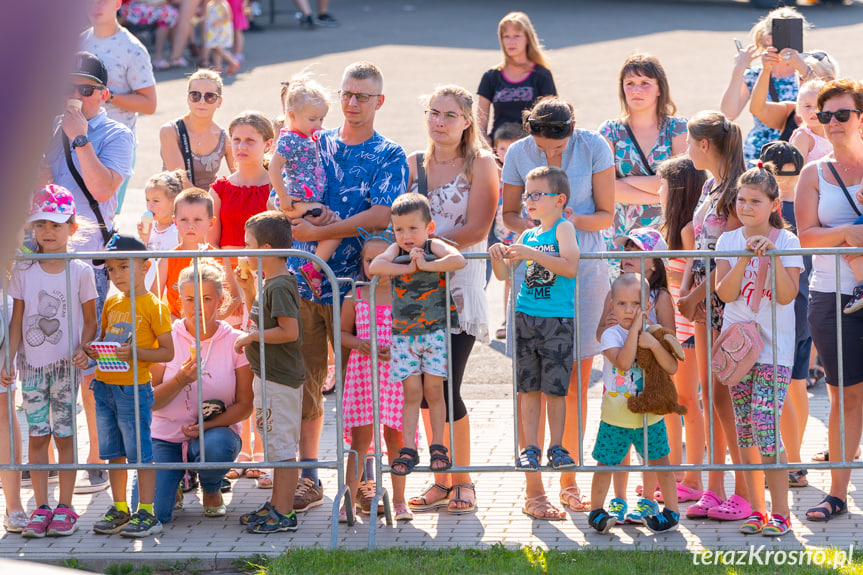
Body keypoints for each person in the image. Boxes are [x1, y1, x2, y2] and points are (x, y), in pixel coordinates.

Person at [286, 61, 406, 514]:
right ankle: (309, 477)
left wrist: (320, 234)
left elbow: (382, 215)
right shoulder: (316, 141)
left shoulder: (389, 153)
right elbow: (290, 193)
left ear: (379, 101)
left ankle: (364, 482)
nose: (352, 103)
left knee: (364, 393)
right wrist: (304, 223)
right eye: (347, 94)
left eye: (363, 96)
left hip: (360, 291)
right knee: (308, 384)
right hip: (309, 283)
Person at [501, 97, 614, 517]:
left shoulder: (595, 145)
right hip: (534, 277)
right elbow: (509, 213)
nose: (550, 153)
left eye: (558, 146)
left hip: (582, 272)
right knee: (528, 386)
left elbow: (606, 216)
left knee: (572, 384)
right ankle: (534, 490)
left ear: (572, 128)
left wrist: (559, 222)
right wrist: (534, 235)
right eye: (541, 147)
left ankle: (569, 479)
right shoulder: (517, 151)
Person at [42, 51, 135, 495]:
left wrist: (81, 139)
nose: (75, 98)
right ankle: (47, 454)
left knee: (96, 360)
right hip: (44, 258)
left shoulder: (115, 133)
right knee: (43, 355)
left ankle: (100, 458)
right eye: (67, 88)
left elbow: (101, 188)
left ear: (104, 94)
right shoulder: (43, 131)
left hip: (95, 261)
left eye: (85, 90)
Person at [405, 85, 498, 514]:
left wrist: (425, 245)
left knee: (449, 386)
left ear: (467, 121)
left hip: (459, 287)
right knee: (424, 392)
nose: (438, 121)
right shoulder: (412, 165)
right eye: (432, 112)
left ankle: (463, 479)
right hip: (416, 291)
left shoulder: (481, 163)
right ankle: (439, 480)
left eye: (449, 114)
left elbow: (479, 228)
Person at [1, 187, 98, 537]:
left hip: (65, 370)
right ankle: (41, 506)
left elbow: (91, 319)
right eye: (40, 223)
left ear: (72, 227)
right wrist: (8, 359)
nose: (47, 231)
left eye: (56, 224)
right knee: (38, 435)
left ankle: (66, 507)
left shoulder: (81, 271)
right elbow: (17, 321)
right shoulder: (24, 271)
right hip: (31, 369)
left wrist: (85, 348)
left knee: (66, 434)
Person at [715, 164, 803, 536]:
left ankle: (781, 514)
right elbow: (724, 293)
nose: (746, 207)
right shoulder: (727, 240)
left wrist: (771, 257)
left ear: (773, 204)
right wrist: (745, 259)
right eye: (741, 199)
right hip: (739, 351)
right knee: (746, 431)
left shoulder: (787, 242)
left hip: (774, 350)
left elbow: (786, 295)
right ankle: (756, 510)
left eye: (755, 201)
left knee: (766, 428)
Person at [677, 111, 750, 521]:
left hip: (727, 301)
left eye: (690, 142)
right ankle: (714, 487)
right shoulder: (710, 185)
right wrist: (687, 292)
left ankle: (742, 492)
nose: (687, 150)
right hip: (702, 301)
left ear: (705, 145)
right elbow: (699, 244)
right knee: (711, 394)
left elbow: (733, 256)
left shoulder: (736, 189)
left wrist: (697, 294)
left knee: (727, 398)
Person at [796, 80, 863, 522]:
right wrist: (847, 233)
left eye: (842, 114)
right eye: (826, 116)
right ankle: (837, 494)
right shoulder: (813, 173)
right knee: (845, 399)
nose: (833, 123)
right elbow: (805, 236)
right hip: (832, 298)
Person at [489, 166, 579, 482]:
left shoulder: (563, 229)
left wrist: (531, 254)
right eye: (528, 195)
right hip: (525, 316)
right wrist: (497, 255)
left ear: (560, 199)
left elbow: (570, 266)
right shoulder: (527, 234)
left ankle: (557, 447)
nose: (529, 201)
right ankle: (530, 448)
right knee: (528, 387)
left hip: (557, 319)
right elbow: (503, 275)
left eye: (537, 195)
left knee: (555, 388)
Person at [83, 234, 174, 538]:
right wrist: (94, 348)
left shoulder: (154, 306)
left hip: (134, 389)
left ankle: (146, 512)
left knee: (140, 454)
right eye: (111, 269)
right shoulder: (111, 301)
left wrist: (136, 353)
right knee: (114, 453)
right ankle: (120, 506)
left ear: (145, 266)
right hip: (105, 385)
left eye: (124, 267)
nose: (117, 275)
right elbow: (107, 338)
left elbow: (168, 352)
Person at [369, 193, 466, 476]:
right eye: (399, 229)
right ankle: (408, 447)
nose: (406, 235)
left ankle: (438, 445)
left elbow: (458, 260)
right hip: (404, 336)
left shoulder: (434, 246)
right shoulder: (394, 250)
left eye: (413, 228)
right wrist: (406, 267)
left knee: (434, 391)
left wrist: (427, 265)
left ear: (429, 228)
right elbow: (375, 267)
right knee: (411, 393)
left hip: (434, 333)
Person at [149, 260, 252, 524]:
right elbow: (148, 401)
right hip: (164, 436)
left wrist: (209, 426)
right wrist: (180, 380)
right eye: (189, 299)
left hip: (214, 434)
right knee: (158, 514)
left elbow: (245, 405)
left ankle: (210, 486)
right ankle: (175, 483)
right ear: (178, 301)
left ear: (220, 301)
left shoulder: (235, 341)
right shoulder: (165, 339)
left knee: (216, 446)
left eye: (206, 298)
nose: (196, 307)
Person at [594, 227, 678, 525]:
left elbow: (671, 337)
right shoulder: (614, 293)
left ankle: (647, 501)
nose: (628, 255)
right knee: (618, 445)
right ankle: (617, 499)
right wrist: (611, 326)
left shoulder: (661, 296)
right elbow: (601, 332)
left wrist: (646, 327)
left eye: (637, 251)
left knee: (651, 447)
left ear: (654, 263)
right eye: (627, 249)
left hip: (648, 386)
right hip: (618, 387)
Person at [234, 211, 305, 534]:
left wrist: (251, 338)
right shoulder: (267, 283)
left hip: (281, 380)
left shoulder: (279, 285)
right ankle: (276, 504)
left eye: (248, 245)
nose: (244, 250)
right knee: (274, 446)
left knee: (282, 450)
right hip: (268, 376)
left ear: (264, 248)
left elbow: (288, 331)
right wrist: (247, 289)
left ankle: (285, 512)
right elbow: (261, 319)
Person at [339, 233, 410, 522]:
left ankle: (401, 501)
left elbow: (414, 332)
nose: (377, 266)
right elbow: (341, 332)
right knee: (361, 440)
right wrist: (358, 343)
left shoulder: (403, 294)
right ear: (363, 263)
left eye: (386, 260)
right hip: (363, 375)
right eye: (371, 260)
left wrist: (397, 348)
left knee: (396, 437)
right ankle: (348, 503)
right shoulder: (355, 294)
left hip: (394, 374)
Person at [759, 142, 811, 487]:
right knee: (794, 385)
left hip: (790, 305)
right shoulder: (805, 205)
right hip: (797, 303)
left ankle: (792, 463)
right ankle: (793, 460)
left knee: (790, 385)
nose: (789, 182)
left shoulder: (776, 213)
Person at [657, 156, 707, 501]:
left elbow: (694, 273)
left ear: (677, 190)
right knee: (670, 402)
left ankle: (693, 477)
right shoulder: (666, 230)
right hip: (669, 329)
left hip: (689, 329)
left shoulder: (690, 231)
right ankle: (674, 471)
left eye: (662, 184)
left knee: (688, 402)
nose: (658, 191)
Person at [599, 53, 687, 240]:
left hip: (665, 233)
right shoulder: (609, 130)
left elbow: (679, 185)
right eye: (629, 83)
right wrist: (661, 195)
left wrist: (625, 182)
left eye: (645, 83)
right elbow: (605, 188)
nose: (636, 90)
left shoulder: (678, 128)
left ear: (659, 89)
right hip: (619, 233)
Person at [82, 0, 158, 216]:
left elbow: (149, 104)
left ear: (117, 3)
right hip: (77, 140)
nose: (95, 6)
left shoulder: (132, 49)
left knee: (104, 217)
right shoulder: (78, 42)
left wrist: (107, 96)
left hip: (114, 145)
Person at [269, 76, 337, 300]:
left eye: (321, 118)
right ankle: (314, 269)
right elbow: (274, 167)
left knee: (326, 227)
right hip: (296, 200)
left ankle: (313, 268)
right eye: (312, 119)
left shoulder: (309, 136)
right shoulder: (290, 139)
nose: (318, 124)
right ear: (291, 116)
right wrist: (283, 196)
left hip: (306, 199)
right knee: (336, 227)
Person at [720, 6, 809, 160]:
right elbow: (729, 114)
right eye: (782, 33)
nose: (789, 40)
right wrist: (739, 69)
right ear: (768, 39)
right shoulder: (755, 75)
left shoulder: (807, 71)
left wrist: (802, 66)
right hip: (759, 153)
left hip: (798, 153)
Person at [154, 188, 241, 321]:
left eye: (197, 219)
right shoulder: (168, 260)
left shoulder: (219, 258)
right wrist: (177, 323)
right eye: (184, 219)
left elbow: (234, 297)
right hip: (178, 331)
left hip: (211, 333)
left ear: (211, 222)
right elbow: (153, 300)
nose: (190, 225)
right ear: (175, 222)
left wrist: (213, 320)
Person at [477, 11, 556, 143]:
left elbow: (548, 121)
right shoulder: (491, 76)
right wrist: (487, 147)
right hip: (498, 149)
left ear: (527, 38)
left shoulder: (542, 75)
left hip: (531, 147)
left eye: (516, 36)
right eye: (506, 36)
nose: (511, 41)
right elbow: (480, 126)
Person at [160, 69, 234, 191]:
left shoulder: (224, 138)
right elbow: (181, 181)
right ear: (188, 98)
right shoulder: (170, 131)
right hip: (176, 203)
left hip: (209, 205)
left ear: (219, 102)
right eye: (195, 95)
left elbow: (241, 176)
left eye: (210, 96)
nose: (202, 101)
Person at [490, 122, 526, 340]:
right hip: (504, 232)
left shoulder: (525, 173)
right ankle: (507, 319)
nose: (506, 153)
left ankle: (521, 318)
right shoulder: (493, 172)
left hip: (523, 231)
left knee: (524, 275)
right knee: (508, 278)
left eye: (511, 147)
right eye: (502, 148)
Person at [137, 170, 183, 292]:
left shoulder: (178, 229)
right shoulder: (149, 227)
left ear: (173, 202)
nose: (150, 206)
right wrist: (143, 241)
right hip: (148, 291)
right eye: (147, 200)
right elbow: (140, 263)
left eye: (156, 201)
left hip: (171, 293)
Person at [119, 0, 180, 70]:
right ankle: (158, 57)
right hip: (131, 7)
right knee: (167, 14)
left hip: (151, 6)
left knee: (172, 13)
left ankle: (171, 56)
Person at [790, 80, 832, 164]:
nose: (814, 111)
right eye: (807, 106)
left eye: (819, 106)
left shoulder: (832, 132)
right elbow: (799, 174)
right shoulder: (803, 137)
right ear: (798, 109)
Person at [202, 0, 239, 74]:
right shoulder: (210, 5)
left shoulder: (223, 4)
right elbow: (207, 16)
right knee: (215, 49)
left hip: (221, 31)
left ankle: (233, 62)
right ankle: (218, 68)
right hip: (213, 31)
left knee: (218, 48)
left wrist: (218, 21)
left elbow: (229, 17)